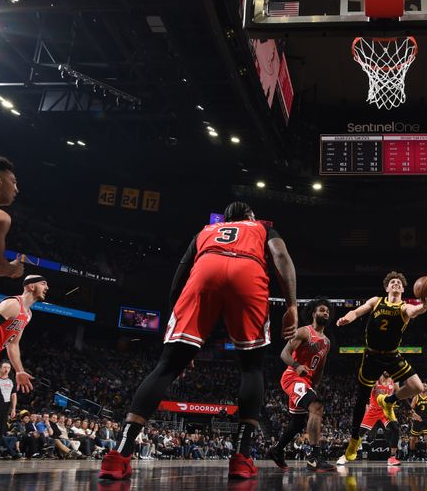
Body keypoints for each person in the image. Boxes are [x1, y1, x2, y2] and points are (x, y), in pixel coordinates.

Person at [99, 201, 298, 480]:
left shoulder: (206, 230)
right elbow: (281, 257)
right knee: (251, 367)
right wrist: (292, 306)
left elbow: (180, 276)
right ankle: (242, 457)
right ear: (250, 217)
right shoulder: (262, 229)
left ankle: (119, 454)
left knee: (167, 366)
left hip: (205, 269)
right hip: (247, 271)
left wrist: (178, 327)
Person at [336, 271, 427, 465]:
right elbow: (356, 311)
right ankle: (353, 444)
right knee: (361, 400)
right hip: (371, 355)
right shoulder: (376, 301)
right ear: (387, 287)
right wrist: (348, 318)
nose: (396, 284)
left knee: (416, 386)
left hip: (391, 355)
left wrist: (424, 306)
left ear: (403, 289)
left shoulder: (404, 307)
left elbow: (414, 311)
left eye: (399, 282)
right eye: (393, 282)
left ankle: (388, 401)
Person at [0, 275, 42, 469]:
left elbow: (13, 344)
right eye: (44, 283)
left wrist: (20, 370)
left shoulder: (28, 314)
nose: (47, 287)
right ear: (31, 286)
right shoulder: (12, 304)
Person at [267, 297, 335, 472]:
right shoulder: (304, 332)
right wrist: (297, 366)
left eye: (327, 311)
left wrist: (315, 387)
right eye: (321, 310)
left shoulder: (326, 342)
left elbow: (320, 368)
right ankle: (314, 458)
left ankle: (277, 450)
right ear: (313, 313)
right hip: (292, 377)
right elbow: (284, 353)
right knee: (316, 406)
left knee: (297, 424)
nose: (325, 313)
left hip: (307, 382)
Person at [336, 371, 401, 466]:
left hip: (385, 411)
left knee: (395, 429)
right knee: (359, 433)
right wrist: (366, 406)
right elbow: (370, 394)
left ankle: (392, 458)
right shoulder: (376, 380)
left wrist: (411, 410)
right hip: (373, 410)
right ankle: (345, 456)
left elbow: (400, 395)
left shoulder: (394, 381)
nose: (387, 371)